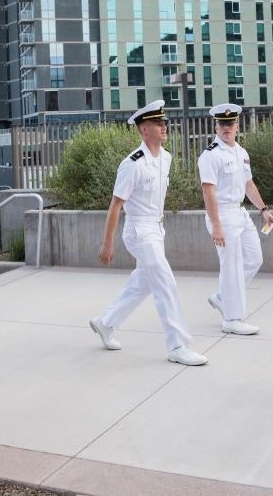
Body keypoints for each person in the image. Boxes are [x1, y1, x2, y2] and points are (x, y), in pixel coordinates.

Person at [89, 100, 208, 366]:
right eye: (157, 123)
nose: (164, 126)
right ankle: (178, 346)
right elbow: (116, 204)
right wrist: (107, 243)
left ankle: (106, 322)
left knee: (142, 282)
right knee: (165, 282)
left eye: (164, 122)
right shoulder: (132, 164)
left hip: (156, 228)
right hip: (139, 230)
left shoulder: (165, 158)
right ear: (144, 130)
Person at [198, 103, 273, 335]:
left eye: (230, 123)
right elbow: (208, 192)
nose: (226, 127)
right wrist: (216, 225)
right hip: (222, 214)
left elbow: (248, 184)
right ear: (216, 125)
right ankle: (233, 319)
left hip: (240, 213)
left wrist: (264, 209)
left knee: (254, 259)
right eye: (222, 123)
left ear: (237, 125)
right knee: (231, 267)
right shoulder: (211, 155)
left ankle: (224, 297)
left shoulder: (241, 152)